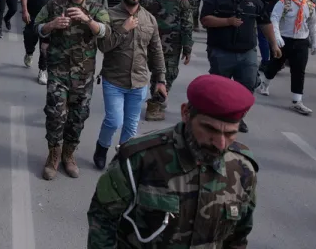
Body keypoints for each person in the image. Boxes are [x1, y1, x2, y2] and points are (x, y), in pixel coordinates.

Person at [87, 74, 258, 249]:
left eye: (230, 133)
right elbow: (102, 218)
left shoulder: (243, 169)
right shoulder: (139, 158)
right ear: (185, 113)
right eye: (209, 129)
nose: (220, 144)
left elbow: (238, 236)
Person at [35, 0, 111, 180]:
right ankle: (53, 155)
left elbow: (106, 32)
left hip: (83, 75)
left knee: (78, 117)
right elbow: (36, 27)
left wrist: (88, 20)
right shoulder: (55, 4)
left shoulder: (95, 8)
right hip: (58, 71)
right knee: (55, 114)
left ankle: (69, 155)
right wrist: (51, 25)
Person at [93, 0, 166, 170]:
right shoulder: (109, 15)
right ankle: (102, 148)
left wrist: (160, 79)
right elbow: (104, 47)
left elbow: (156, 51)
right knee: (113, 120)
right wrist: (123, 29)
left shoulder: (149, 19)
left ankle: (123, 157)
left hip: (139, 81)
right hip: (114, 80)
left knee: (131, 125)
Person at [200, 0, 280, 133]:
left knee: (248, 87)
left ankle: (237, 117)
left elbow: (265, 23)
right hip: (221, 51)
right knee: (219, 89)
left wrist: (274, 44)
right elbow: (205, 20)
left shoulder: (253, 1)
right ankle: (217, 117)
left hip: (247, 53)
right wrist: (227, 21)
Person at [258, 0, 316, 114]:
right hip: (285, 40)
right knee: (275, 65)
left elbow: (312, 24)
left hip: (301, 41)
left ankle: (297, 101)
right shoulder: (283, 3)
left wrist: (315, 42)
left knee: (299, 70)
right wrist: (277, 38)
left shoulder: (309, 5)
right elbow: (274, 19)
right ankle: (265, 84)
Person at [142, 0, 193, 121]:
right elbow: (187, 25)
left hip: (150, 40)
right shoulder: (181, 0)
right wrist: (187, 48)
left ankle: (157, 98)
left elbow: (141, 15)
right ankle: (155, 105)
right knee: (168, 73)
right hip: (172, 43)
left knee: (157, 70)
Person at [21, 0, 60, 84]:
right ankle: (29, 52)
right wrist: (24, 11)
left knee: (45, 46)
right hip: (32, 15)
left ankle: (43, 70)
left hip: (48, 19)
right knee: (29, 38)